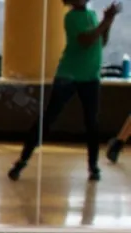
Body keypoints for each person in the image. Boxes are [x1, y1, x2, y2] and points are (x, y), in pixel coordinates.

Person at [9, 0, 120, 182]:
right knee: (49, 119)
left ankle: (93, 166)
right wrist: (105, 21)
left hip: (91, 76)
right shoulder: (70, 17)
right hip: (69, 76)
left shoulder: (91, 15)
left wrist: (109, 22)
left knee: (92, 123)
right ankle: (22, 160)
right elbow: (86, 40)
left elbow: (101, 41)